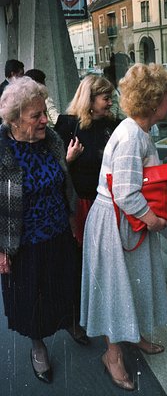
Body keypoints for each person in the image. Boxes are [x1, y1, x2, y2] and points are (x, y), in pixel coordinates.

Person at [80, 63, 167, 391]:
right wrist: (154, 220)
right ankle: (113, 355)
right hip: (116, 221)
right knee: (115, 287)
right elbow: (124, 192)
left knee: (127, 283)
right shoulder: (132, 134)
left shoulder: (135, 130)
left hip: (123, 221)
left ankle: (130, 337)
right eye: (166, 98)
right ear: (153, 102)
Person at [0, 76, 78, 384]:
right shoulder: (2, 150)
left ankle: (70, 322)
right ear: (16, 120)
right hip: (23, 241)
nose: (45, 119)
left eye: (44, 111)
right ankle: (38, 346)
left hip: (58, 231)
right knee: (31, 298)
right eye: (36, 115)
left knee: (64, 285)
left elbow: (62, 181)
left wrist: (72, 219)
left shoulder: (52, 140)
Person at [54, 74, 119, 342]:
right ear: (90, 100)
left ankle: (101, 314)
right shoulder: (68, 124)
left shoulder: (111, 124)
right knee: (78, 264)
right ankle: (75, 318)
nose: (110, 103)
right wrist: (68, 159)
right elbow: (52, 171)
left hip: (105, 202)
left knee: (104, 263)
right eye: (106, 98)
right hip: (79, 204)